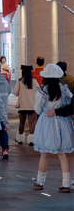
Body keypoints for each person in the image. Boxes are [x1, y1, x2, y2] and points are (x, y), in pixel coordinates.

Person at [32, 64, 74, 192]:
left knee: (44, 154)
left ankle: (40, 182)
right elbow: (70, 102)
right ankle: (66, 183)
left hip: (46, 122)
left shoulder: (42, 90)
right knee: (62, 154)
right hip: (63, 123)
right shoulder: (64, 89)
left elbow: (37, 109)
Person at [14, 65, 38, 146]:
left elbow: (14, 92)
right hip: (32, 105)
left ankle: (19, 139)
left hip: (22, 106)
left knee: (22, 122)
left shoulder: (20, 81)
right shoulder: (34, 81)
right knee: (32, 123)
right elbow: (39, 91)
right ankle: (31, 140)